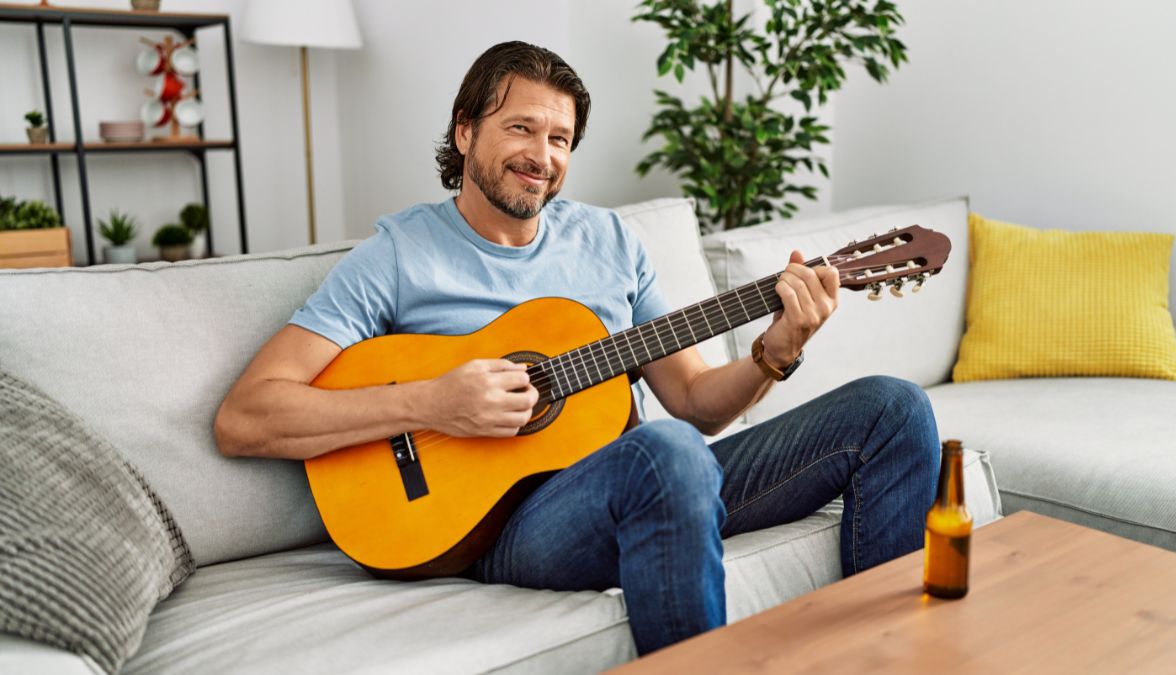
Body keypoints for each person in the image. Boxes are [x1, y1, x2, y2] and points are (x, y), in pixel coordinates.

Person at [213, 41, 938, 655]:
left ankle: (888, 658)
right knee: (667, 452)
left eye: (559, 139)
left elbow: (693, 404)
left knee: (895, 409)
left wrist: (773, 354)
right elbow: (247, 416)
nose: (541, 155)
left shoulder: (613, 243)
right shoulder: (399, 254)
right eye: (521, 128)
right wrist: (436, 401)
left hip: (653, 480)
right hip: (502, 524)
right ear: (464, 132)